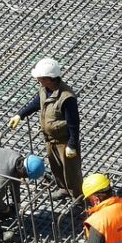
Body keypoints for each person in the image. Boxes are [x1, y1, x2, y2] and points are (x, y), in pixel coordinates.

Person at [8, 58, 82, 201]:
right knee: (56, 168)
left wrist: (72, 144)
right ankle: (63, 189)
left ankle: (77, 197)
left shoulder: (66, 97)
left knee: (71, 171)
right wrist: (20, 115)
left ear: (49, 78)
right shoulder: (45, 89)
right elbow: (37, 103)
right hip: (50, 139)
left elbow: (74, 123)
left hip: (64, 141)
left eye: (40, 78)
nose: (38, 80)